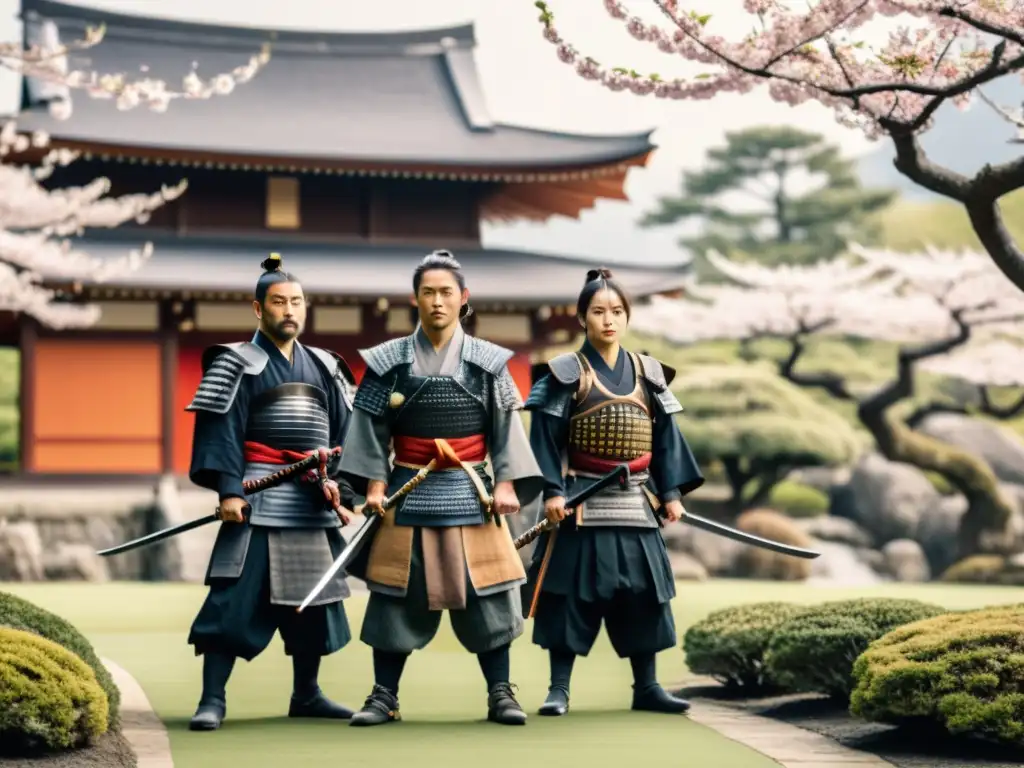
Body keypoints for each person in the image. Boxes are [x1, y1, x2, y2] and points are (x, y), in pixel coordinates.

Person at [339, 250, 544, 727]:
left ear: (463, 299)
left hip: (473, 488)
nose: (437, 301)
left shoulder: (489, 362)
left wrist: (509, 482)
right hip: (406, 487)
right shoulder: (388, 361)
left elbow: (506, 428)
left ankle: (500, 693)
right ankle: (383, 696)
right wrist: (371, 484)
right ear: (415, 298)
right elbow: (368, 428)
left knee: (490, 592)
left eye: (446, 293)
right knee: (394, 594)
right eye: (428, 292)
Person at [183, 253, 359, 731]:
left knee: (314, 602)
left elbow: (347, 434)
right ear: (258, 309)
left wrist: (340, 486)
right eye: (279, 302)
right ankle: (212, 698)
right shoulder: (234, 362)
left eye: (297, 302)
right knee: (233, 599)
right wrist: (228, 490)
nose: (289, 310)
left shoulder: (325, 365)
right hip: (258, 495)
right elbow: (221, 430)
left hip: (310, 500)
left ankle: (307, 694)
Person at [522, 267, 705, 717]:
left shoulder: (650, 372)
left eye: (617, 311)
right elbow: (543, 438)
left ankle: (647, 687)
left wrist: (673, 492)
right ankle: (558, 689)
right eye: (599, 311)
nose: (609, 320)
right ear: (581, 317)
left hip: (639, 503)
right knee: (569, 596)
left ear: (628, 316)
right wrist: (551, 492)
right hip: (580, 502)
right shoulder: (567, 373)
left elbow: (667, 438)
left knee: (645, 595)